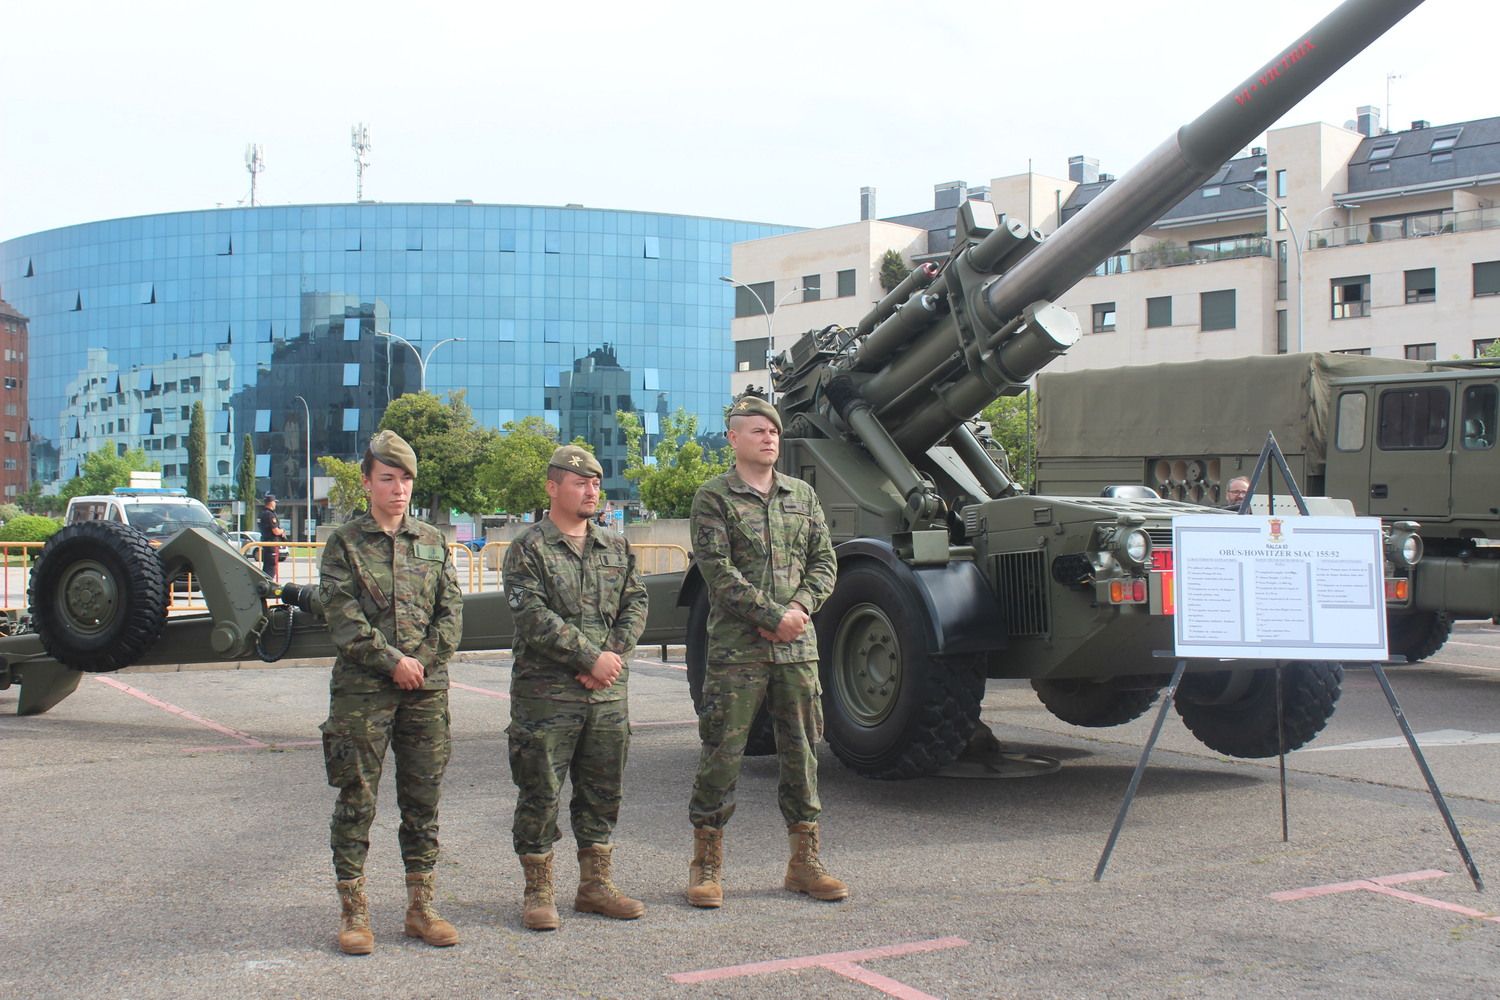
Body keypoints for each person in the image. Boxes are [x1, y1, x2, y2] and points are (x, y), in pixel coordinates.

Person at [685, 394, 844, 908]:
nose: (769, 437)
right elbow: (717, 573)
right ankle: (706, 865)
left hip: (797, 651)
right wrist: (771, 616)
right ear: (733, 439)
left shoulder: (802, 495)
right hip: (739, 652)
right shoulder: (714, 498)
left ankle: (805, 862)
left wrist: (798, 607)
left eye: (773, 430)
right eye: (757, 430)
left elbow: (824, 561)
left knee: (802, 754)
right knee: (722, 754)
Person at [317, 430, 464, 955]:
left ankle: (421, 908)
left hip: (425, 690)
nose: (398, 489)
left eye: (405, 479)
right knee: (356, 799)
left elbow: (451, 613)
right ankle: (354, 912)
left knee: (422, 802)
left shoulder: (431, 540)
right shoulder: (344, 544)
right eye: (387, 478)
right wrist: (392, 661)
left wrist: (419, 663)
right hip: (364, 694)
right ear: (366, 482)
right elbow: (343, 617)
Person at [502, 445, 649, 931]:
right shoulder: (529, 548)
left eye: (596, 483)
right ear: (552, 487)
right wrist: (591, 658)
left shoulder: (616, 546)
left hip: (605, 695)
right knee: (540, 791)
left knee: (603, 791)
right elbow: (533, 616)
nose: (591, 491)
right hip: (547, 697)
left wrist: (613, 656)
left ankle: (594, 885)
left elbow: (636, 603)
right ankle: (538, 891)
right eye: (580, 482)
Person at [257, 493, 285, 579]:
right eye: (274, 502)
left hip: (265, 543)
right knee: (271, 568)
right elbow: (275, 531)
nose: (275, 504)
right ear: (271, 503)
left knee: (266, 567)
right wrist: (282, 531)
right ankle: (268, 586)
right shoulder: (270, 515)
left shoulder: (261, 514)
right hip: (272, 544)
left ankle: (265, 583)